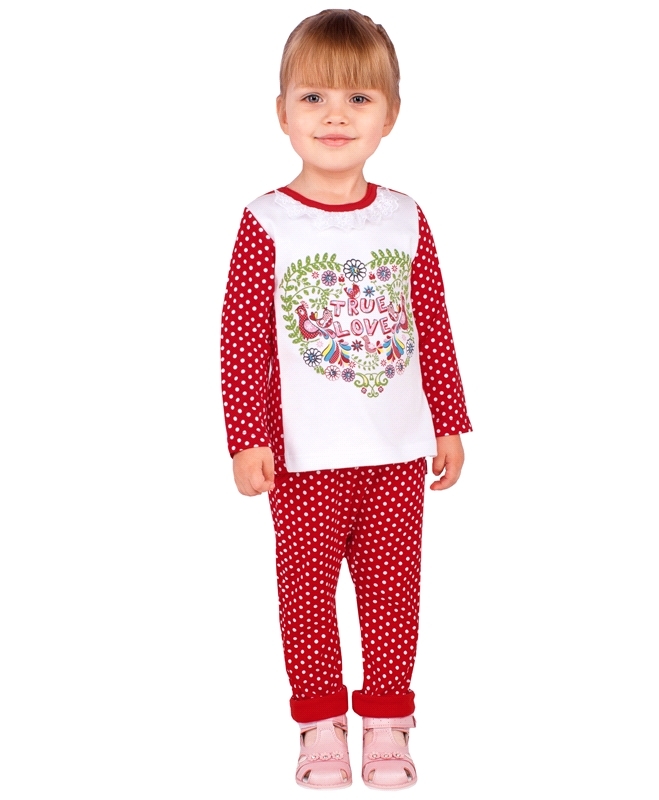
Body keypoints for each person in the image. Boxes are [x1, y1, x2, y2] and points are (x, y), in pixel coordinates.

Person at [220, 9, 472, 790]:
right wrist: (246, 436)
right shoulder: (266, 222)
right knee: (306, 595)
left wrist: (449, 421)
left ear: (389, 115)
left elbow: (431, 323)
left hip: (396, 452)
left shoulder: (404, 217)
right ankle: (320, 725)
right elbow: (242, 337)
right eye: (314, 97)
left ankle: (388, 723)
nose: (335, 116)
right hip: (302, 456)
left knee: (393, 595)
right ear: (282, 112)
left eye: (358, 99)